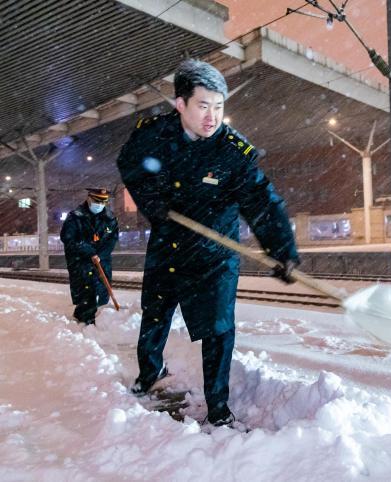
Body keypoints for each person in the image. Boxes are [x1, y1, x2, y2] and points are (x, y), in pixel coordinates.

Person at [116, 59, 299, 426]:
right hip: (168, 243)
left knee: (218, 328)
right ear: (180, 104)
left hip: (215, 254)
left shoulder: (233, 153)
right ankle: (149, 373)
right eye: (203, 105)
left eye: (218, 106)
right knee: (155, 315)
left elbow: (262, 201)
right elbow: (130, 163)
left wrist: (282, 250)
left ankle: (218, 407)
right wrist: (151, 200)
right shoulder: (154, 135)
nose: (212, 116)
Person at [60, 188, 119, 325]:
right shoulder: (75, 217)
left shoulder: (110, 218)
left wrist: (100, 254)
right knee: (86, 290)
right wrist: (89, 251)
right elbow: (68, 238)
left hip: (102, 261)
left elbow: (112, 239)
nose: (100, 205)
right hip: (80, 261)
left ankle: (102, 318)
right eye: (97, 201)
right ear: (89, 199)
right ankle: (84, 319)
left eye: (103, 202)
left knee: (103, 290)